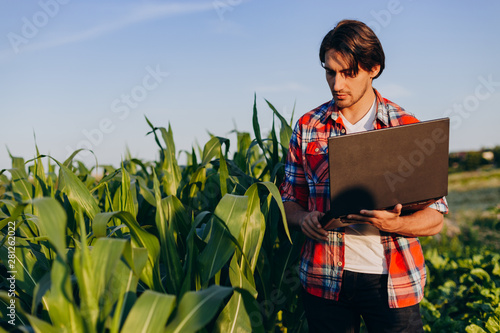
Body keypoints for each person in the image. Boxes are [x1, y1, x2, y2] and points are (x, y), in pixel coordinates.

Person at [280, 19, 448, 332]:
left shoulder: (406, 127)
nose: (336, 84)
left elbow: (436, 217)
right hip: (323, 279)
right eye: (330, 72)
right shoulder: (307, 127)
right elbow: (288, 199)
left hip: (393, 284)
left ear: (374, 68)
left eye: (348, 73)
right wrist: (302, 218)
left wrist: (396, 224)